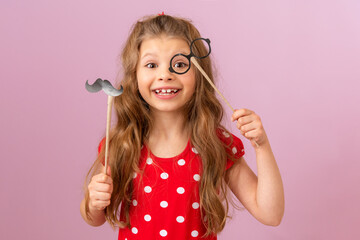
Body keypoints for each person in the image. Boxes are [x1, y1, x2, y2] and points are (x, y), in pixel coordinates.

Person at [80, 14, 284, 240]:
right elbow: (93, 218)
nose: (165, 75)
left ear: (198, 73)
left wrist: (262, 147)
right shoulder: (123, 144)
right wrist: (95, 201)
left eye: (179, 64)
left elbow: (271, 214)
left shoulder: (215, 143)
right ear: (134, 75)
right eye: (151, 65)